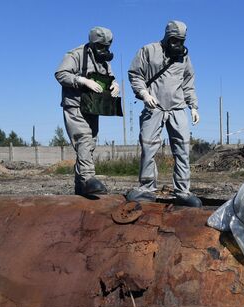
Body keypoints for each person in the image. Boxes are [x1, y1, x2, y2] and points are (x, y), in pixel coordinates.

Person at [127, 20, 202, 207]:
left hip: (177, 108)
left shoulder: (184, 57)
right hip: (154, 107)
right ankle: (147, 188)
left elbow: (188, 82)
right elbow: (135, 74)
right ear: (167, 36)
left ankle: (183, 191)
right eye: (174, 39)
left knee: (183, 149)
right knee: (148, 147)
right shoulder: (148, 51)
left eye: (181, 40)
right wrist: (144, 94)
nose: (178, 43)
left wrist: (193, 106)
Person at [55, 26, 120, 196]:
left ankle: (80, 189)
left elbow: (110, 78)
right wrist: (81, 80)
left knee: (90, 144)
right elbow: (61, 74)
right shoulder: (75, 55)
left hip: (93, 107)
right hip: (75, 104)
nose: (104, 50)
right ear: (92, 43)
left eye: (107, 47)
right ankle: (89, 179)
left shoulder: (103, 60)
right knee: (83, 139)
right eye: (101, 46)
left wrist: (115, 86)